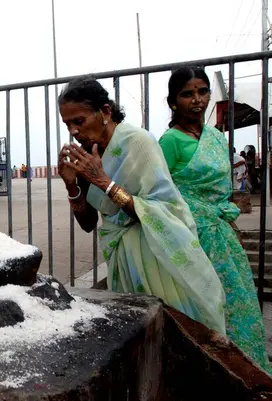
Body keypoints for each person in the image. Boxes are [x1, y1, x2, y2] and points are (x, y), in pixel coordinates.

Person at [57, 77, 225, 334]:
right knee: (135, 333)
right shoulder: (86, 156)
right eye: (67, 124)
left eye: (78, 121)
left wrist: (104, 182)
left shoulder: (138, 142)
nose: (73, 131)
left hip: (157, 255)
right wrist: (72, 186)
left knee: (172, 331)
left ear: (105, 111)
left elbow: (161, 208)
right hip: (122, 259)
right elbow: (88, 223)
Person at [159, 66, 270, 372]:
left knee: (235, 304)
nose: (197, 100)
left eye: (203, 91)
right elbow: (158, 192)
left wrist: (228, 219)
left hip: (220, 236)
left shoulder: (216, 138)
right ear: (173, 101)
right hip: (188, 236)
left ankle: (244, 370)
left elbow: (223, 192)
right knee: (201, 309)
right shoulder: (169, 142)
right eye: (187, 94)